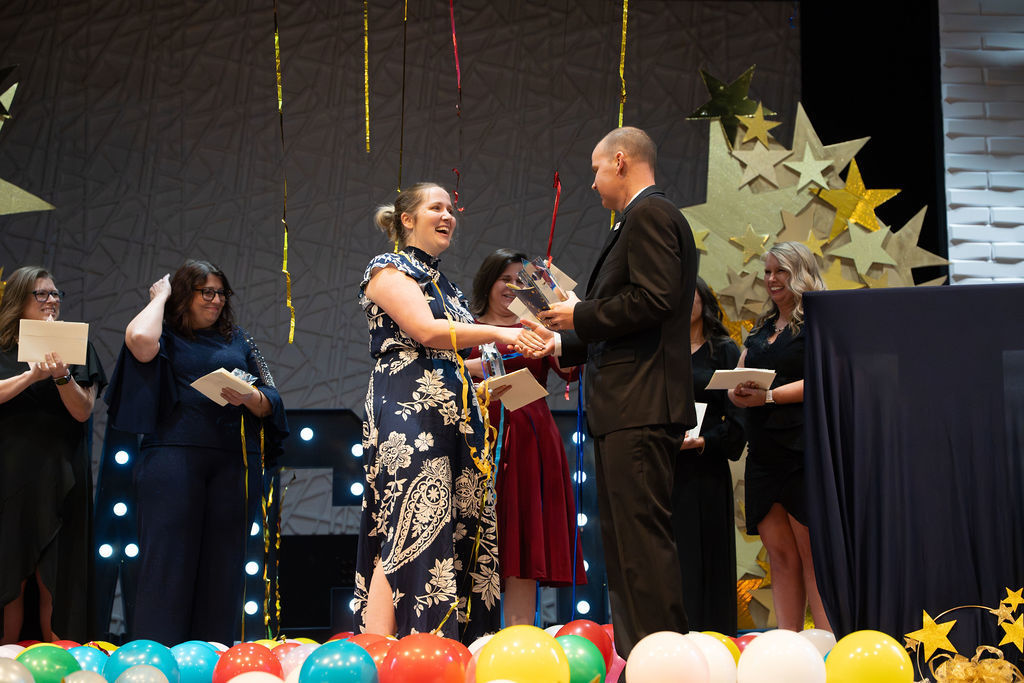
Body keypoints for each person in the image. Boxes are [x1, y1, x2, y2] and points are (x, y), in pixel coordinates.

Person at [354, 183, 544, 642]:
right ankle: (384, 649)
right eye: (435, 207)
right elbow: (425, 331)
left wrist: (500, 364)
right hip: (408, 412)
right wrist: (502, 335)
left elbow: (452, 357)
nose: (448, 215)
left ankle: (452, 647)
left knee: (454, 526)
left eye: (451, 208)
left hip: (454, 417)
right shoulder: (388, 268)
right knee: (408, 524)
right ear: (407, 219)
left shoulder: (446, 284)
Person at [535, 126, 698, 660]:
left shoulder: (650, 215)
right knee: (628, 547)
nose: (593, 183)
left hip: (641, 404)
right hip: (627, 402)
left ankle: (662, 661)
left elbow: (652, 301)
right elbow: (634, 313)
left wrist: (579, 314)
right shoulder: (640, 218)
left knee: (641, 546)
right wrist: (568, 341)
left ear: (621, 161)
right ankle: (644, 657)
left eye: (596, 170)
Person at [105, 259, 288, 645]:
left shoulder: (238, 339)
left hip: (234, 462)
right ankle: (162, 656)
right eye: (207, 292)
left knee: (224, 566)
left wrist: (249, 396)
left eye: (222, 293)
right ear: (185, 295)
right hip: (173, 459)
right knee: (168, 564)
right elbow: (138, 339)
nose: (217, 300)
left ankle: (213, 655)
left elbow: (272, 397)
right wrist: (162, 296)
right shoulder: (165, 335)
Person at [466, 248, 586, 627]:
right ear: (488, 282)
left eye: (521, 281)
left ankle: (520, 635)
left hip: (530, 439)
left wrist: (558, 320)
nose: (512, 287)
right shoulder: (464, 325)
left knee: (522, 539)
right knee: (475, 537)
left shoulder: (537, 326)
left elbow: (571, 372)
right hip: (475, 438)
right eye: (505, 279)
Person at [728, 241, 831, 632]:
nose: (771, 279)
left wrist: (768, 396)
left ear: (800, 272)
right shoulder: (762, 328)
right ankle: (789, 644)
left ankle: (826, 646)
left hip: (803, 451)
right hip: (764, 454)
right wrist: (735, 393)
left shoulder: (819, 322)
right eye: (768, 271)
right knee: (780, 555)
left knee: (811, 556)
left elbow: (825, 378)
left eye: (780, 272)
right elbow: (739, 375)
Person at [0, 266, 106, 644]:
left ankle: (60, 664)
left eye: (56, 294)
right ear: (19, 301)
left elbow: (82, 410)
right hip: (9, 473)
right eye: (41, 294)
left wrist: (61, 376)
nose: (51, 301)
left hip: (62, 472)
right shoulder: (1, 345)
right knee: (10, 575)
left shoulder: (76, 344)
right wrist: (32, 375)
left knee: (57, 576)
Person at [672, 278, 745, 635]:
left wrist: (705, 441)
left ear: (705, 302)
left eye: (692, 296)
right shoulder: (661, 351)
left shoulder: (724, 351)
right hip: (667, 472)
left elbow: (738, 422)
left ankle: (716, 646)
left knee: (711, 561)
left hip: (708, 472)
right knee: (675, 564)